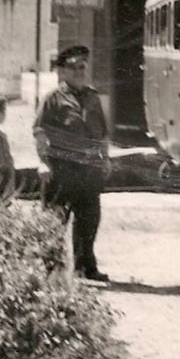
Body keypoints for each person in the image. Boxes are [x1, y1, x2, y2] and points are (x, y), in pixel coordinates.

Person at [33, 45, 112, 282]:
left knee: (89, 220)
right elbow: (39, 132)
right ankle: (50, 272)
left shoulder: (92, 96)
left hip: (88, 169)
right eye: (73, 68)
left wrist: (105, 158)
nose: (79, 72)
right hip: (61, 169)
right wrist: (43, 162)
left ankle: (85, 268)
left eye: (82, 67)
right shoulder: (53, 99)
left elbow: (102, 132)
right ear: (63, 72)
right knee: (54, 221)